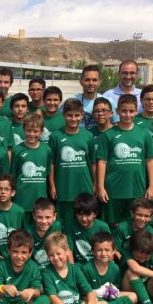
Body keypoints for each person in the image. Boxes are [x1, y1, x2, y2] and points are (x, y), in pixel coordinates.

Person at [96, 94, 153, 227]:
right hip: (113, 189)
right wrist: (100, 187)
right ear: (117, 111)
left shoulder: (144, 133)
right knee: (113, 224)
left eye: (131, 111)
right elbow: (102, 162)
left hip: (136, 189)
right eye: (123, 111)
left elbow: (150, 160)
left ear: (136, 111)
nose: (127, 115)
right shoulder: (108, 135)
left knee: (135, 224)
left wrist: (152, 186)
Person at [42, 232, 114, 304]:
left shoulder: (75, 269)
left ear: (67, 252)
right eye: (51, 255)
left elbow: (90, 292)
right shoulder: (47, 272)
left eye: (58, 253)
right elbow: (54, 299)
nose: (55, 258)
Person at [48, 98, 95, 230]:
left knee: (83, 220)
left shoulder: (88, 136)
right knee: (65, 224)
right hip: (64, 186)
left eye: (76, 115)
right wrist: (52, 185)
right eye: (69, 115)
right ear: (63, 115)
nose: (73, 119)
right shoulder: (56, 136)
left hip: (84, 185)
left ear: (82, 115)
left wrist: (95, 183)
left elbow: (92, 162)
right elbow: (51, 163)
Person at [0, 230, 50, 304]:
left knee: (45, 299)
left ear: (30, 253)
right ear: (9, 251)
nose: (19, 256)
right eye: (15, 251)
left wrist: (31, 292)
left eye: (24, 252)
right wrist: (4, 288)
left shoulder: (33, 267)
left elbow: (37, 292)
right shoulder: (1, 266)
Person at [81, 232, 143, 304]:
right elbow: (83, 293)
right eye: (99, 250)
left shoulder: (115, 268)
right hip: (94, 299)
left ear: (113, 251)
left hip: (109, 299)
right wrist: (98, 293)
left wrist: (112, 290)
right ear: (93, 251)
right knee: (89, 302)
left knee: (134, 296)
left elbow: (117, 285)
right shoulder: (86, 268)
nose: (103, 253)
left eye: (107, 250)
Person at [11, 113, 51, 217]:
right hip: (21, 198)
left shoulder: (46, 150)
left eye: (35, 131)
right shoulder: (17, 150)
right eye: (28, 130)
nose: (31, 134)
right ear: (23, 130)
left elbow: (47, 173)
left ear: (41, 131)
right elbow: (13, 175)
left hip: (40, 198)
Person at [66, 193, 111, 263]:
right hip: (79, 266)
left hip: (98, 264)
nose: (84, 218)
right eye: (80, 214)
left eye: (88, 214)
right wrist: (72, 269)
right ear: (75, 213)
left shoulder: (103, 226)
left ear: (95, 214)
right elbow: (69, 249)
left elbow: (109, 249)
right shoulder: (71, 226)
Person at [0, 174, 27, 256]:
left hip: (14, 257)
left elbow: (25, 236)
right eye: (0, 189)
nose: (3, 192)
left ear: (13, 192)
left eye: (7, 189)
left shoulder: (20, 212)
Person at [73, 65, 116, 129]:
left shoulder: (109, 102)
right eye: (87, 80)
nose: (91, 83)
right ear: (81, 81)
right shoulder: (72, 101)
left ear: (100, 82)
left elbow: (115, 124)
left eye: (94, 80)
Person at [27, 198, 64, 270]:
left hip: (53, 267)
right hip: (36, 269)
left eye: (48, 217)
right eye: (40, 217)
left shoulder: (56, 226)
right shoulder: (29, 231)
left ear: (54, 216)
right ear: (34, 216)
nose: (44, 221)